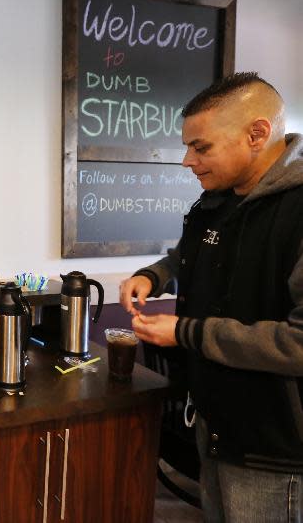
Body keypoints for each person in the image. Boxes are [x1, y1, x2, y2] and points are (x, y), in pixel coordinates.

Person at [119, 72, 303, 521]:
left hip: (273, 444)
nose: (186, 161)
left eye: (201, 148)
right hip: (214, 423)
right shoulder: (215, 201)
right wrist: (154, 274)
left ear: (257, 134)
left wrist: (187, 332)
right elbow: (189, 256)